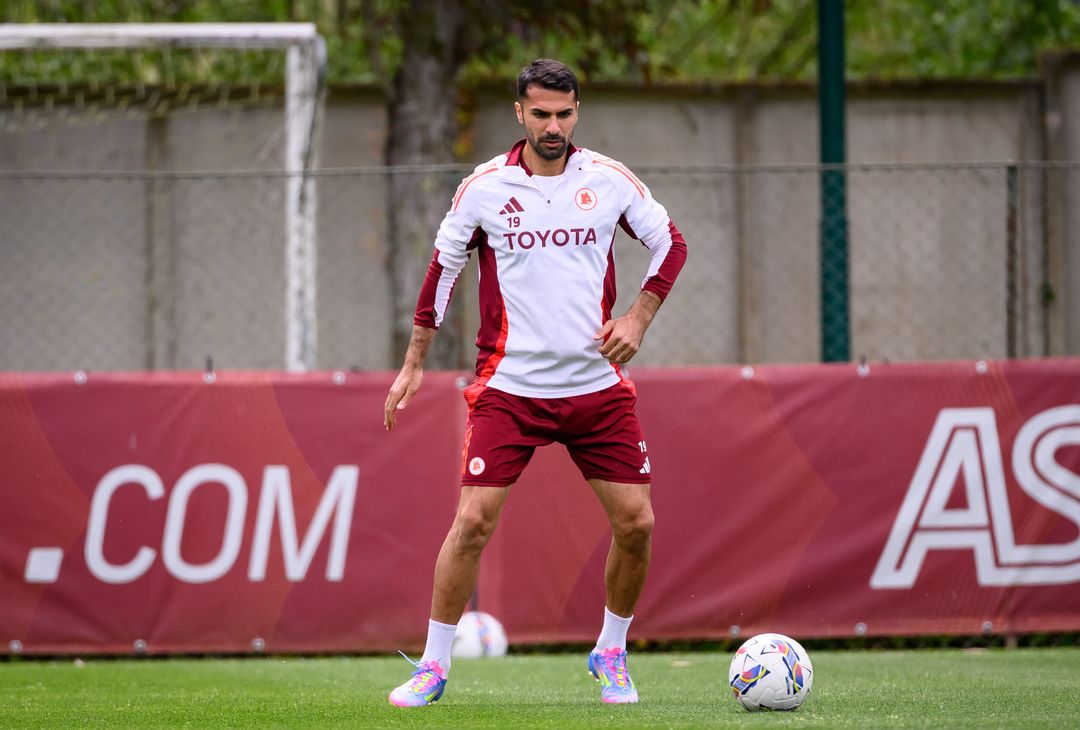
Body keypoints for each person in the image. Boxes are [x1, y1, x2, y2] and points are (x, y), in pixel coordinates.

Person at [383, 58, 687, 707]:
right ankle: (433, 668)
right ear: (519, 113)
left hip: (596, 387)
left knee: (637, 524)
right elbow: (442, 270)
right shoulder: (484, 188)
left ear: (577, 112)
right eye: (541, 113)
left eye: (565, 113)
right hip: (510, 387)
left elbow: (671, 246)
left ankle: (610, 652)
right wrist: (414, 360)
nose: (554, 125)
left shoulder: (607, 180)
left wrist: (638, 315)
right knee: (472, 522)